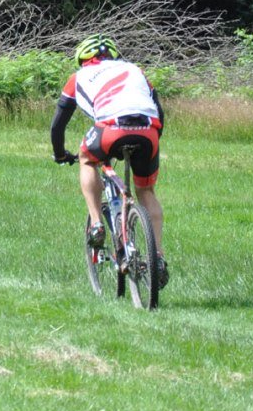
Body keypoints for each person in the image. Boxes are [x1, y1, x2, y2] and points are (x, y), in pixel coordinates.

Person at [51, 34, 168, 287]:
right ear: (114, 55)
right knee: (146, 190)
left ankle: (96, 224)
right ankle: (157, 257)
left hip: (110, 129)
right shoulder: (135, 69)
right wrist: (152, 140)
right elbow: (159, 110)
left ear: (82, 59)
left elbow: (58, 124)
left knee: (87, 159)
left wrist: (60, 153)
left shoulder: (78, 77)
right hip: (148, 131)